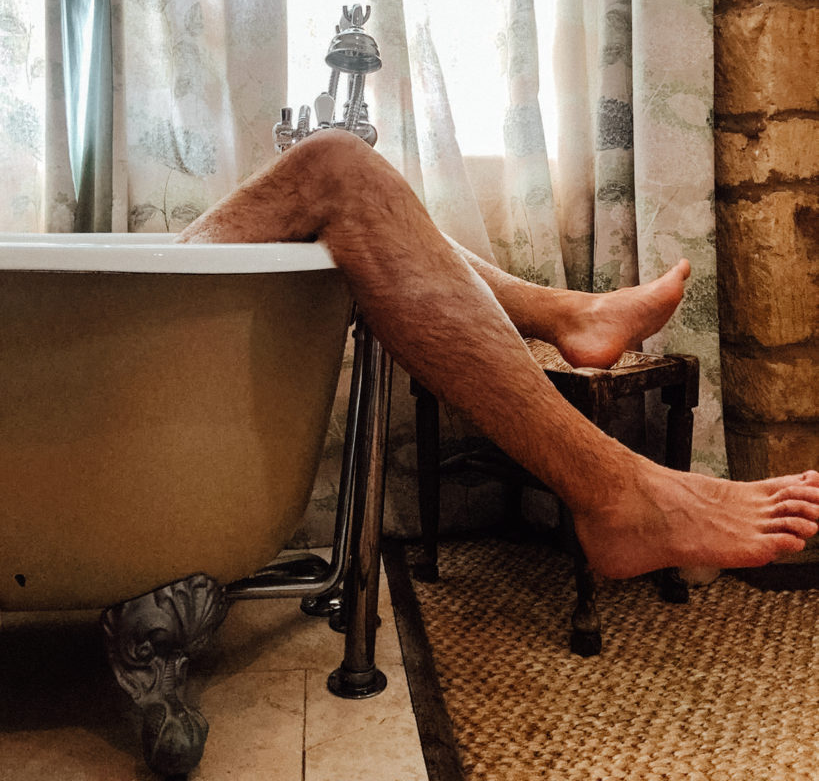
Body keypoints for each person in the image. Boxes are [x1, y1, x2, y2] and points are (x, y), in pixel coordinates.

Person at [179, 128, 819, 579]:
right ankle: (613, 486)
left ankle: (575, 316)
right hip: (154, 317)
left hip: (154, 319)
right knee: (333, 167)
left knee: (353, 189)